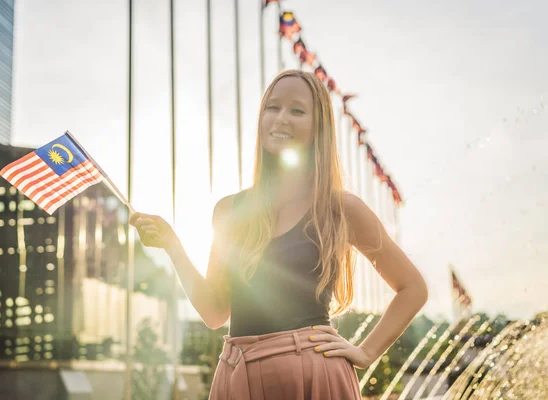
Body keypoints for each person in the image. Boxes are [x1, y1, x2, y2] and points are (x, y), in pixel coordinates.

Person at [129, 69, 428, 399]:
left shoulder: (339, 208)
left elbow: (412, 288)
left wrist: (367, 351)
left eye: (297, 110)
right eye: (272, 107)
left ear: (319, 128)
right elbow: (215, 313)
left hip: (313, 376)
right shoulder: (229, 210)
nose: (281, 118)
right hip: (235, 374)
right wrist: (173, 246)